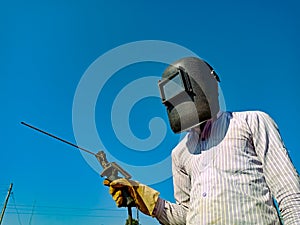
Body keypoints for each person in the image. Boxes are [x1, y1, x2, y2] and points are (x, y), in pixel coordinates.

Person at [104, 57, 300, 224]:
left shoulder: (252, 121)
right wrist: (146, 198)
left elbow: (289, 193)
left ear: (204, 82)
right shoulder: (180, 153)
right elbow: (186, 215)